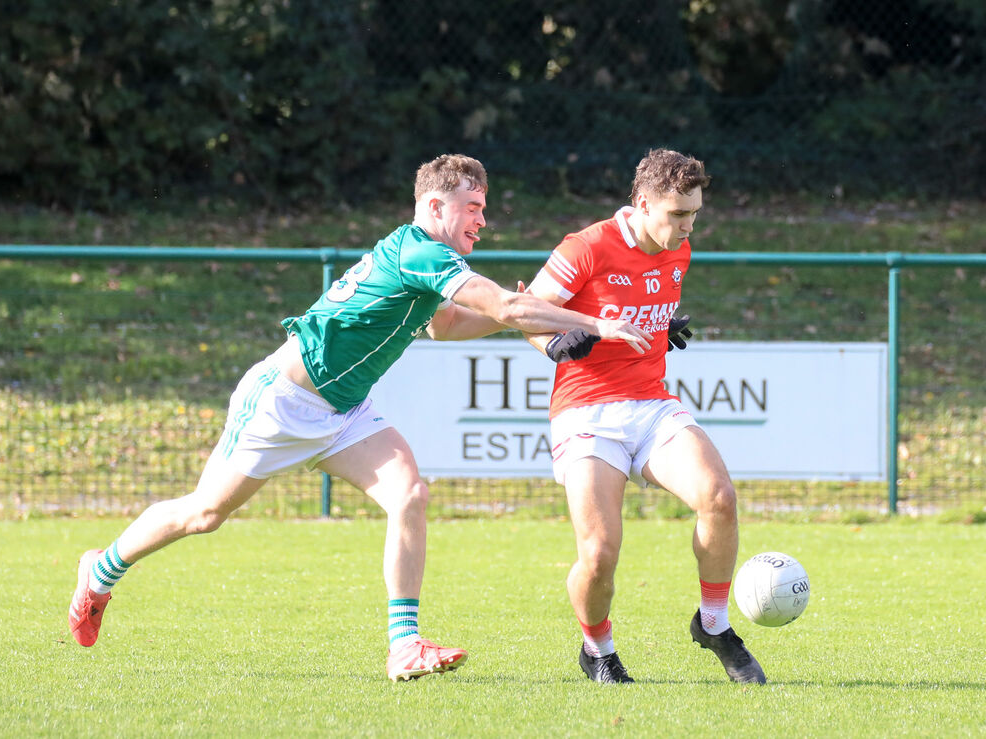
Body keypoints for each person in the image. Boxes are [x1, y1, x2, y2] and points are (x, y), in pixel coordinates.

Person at [66, 154, 653, 682]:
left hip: (345, 410)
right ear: (433, 206)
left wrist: (528, 319)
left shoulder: (426, 259)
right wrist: (591, 323)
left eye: (483, 209)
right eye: (471, 208)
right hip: (283, 402)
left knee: (410, 494)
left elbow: (450, 325)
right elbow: (500, 304)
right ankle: (101, 571)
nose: (481, 220)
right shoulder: (422, 249)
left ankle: (404, 647)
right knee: (204, 514)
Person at [521, 148, 767, 684]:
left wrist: (664, 324)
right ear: (642, 203)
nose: (687, 226)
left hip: (651, 403)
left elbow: (642, 301)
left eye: (695, 213)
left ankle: (714, 625)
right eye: (677, 215)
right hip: (585, 409)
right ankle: (598, 649)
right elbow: (527, 310)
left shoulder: (679, 250)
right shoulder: (584, 247)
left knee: (719, 499)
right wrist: (553, 345)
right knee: (601, 552)